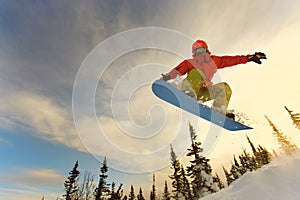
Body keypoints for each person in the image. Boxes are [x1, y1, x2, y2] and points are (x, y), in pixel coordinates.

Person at [161, 39, 266, 119]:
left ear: (206, 50)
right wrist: (167, 77)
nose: (199, 54)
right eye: (196, 52)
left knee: (224, 87)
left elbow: (230, 60)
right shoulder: (190, 63)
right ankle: (189, 93)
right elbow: (178, 70)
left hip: (200, 94)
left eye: (201, 50)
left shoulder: (214, 61)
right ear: (193, 54)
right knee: (197, 72)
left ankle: (218, 109)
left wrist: (249, 58)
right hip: (187, 89)